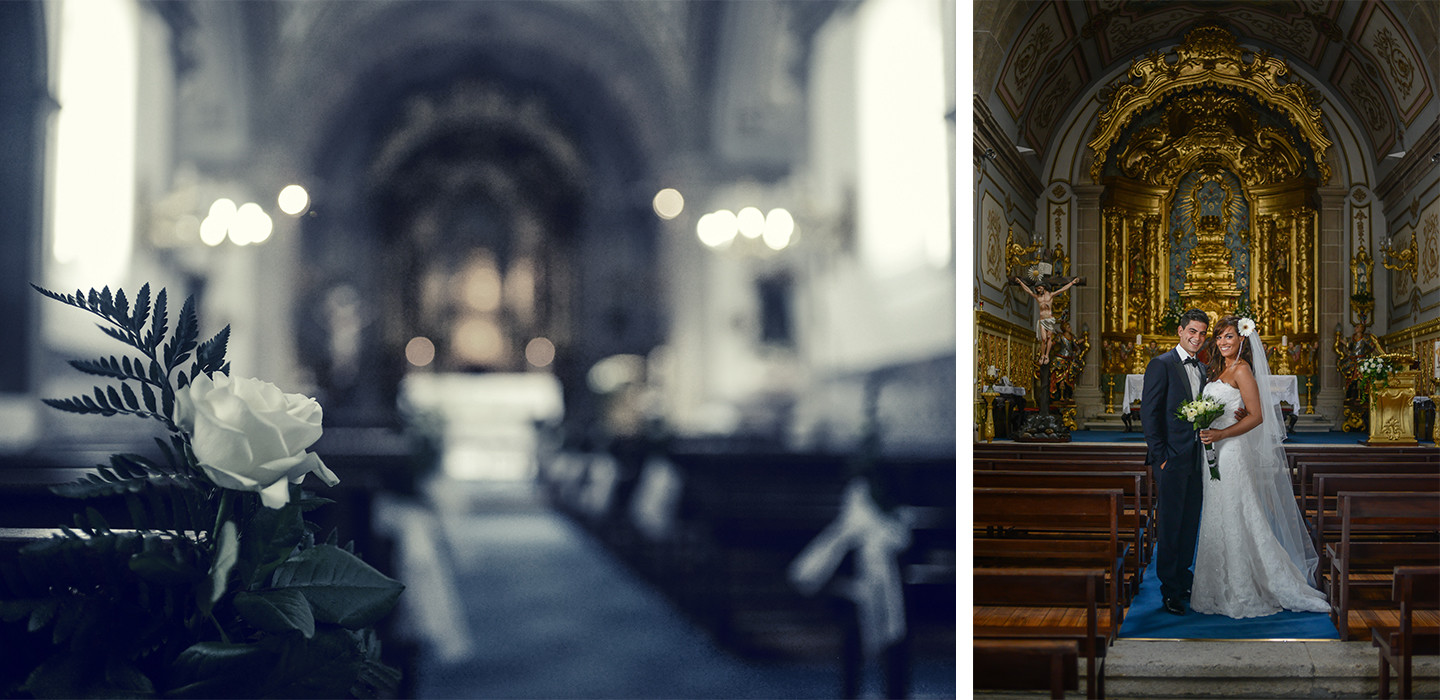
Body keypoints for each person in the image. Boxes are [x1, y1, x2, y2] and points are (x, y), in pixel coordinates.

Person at [1192, 316, 1329, 617]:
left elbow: (1257, 416)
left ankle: (1245, 587)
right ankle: (1217, 584)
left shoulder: (1242, 369)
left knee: (1238, 512)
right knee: (1217, 513)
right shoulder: (1217, 369)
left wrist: (1222, 433)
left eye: (1229, 337)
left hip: (1230, 451)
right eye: (1219, 338)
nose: (1223, 342)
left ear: (1242, 339)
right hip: (1211, 451)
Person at [1140, 308, 1211, 615]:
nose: (1197, 338)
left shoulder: (1204, 368)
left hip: (1198, 460)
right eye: (1192, 332)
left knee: (1190, 522)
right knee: (1170, 525)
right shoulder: (1162, 364)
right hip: (1172, 458)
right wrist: (1161, 457)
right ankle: (1169, 589)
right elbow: (1149, 413)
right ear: (1181, 332)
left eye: (1202, 333)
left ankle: (1183, 578)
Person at [1013, 276, 1080, 364]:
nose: (1038, 290)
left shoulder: (1050, 295)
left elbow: (1062, 290)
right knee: (1043, 339)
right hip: (1042, 321)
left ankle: (1047, 355)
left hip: (1050, 320)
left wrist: (1072, 283)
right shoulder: (1038, 297)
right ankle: (1042, 355)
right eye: (1037, 288)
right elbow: (1028, 291)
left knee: (1049, 338)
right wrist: (1020, 282)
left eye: (1039, 288)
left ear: (1043, 287)